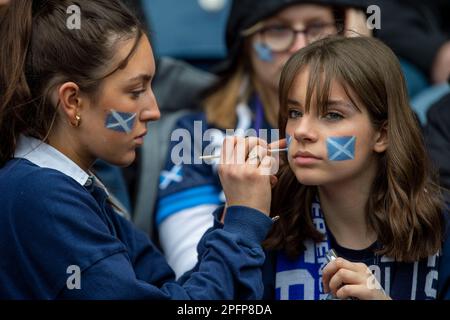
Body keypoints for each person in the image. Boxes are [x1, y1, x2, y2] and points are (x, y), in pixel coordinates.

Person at [0, 0, 274, 299]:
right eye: (135, 92)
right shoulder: (42, 194)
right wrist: (243, 224)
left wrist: (230, 218)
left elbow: (174, 291)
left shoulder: (75, 190)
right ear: (73, 101)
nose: (153, 111)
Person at [155, 0, 370, 278]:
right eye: (278, 30)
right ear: (246, 42)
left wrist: (362, 65)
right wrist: (242, 213)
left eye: (317, 27)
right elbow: (196, 280)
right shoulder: (197, 135)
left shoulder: (376, 123)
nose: (300, 46)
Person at [256, 36, 450, 300]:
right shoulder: (262, 222)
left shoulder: (443, 228)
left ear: (382, 135)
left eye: (332, 115)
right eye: (294, 113)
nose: (301, 131)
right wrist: (238, 219)